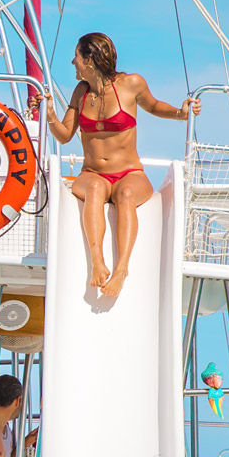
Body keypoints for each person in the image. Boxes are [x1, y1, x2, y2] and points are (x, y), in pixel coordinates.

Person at [43, 31, 200, 298]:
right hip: (93, 173)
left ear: (89, 59)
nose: (73, 62)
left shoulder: (131, 83)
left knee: (126, 194)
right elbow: (65, 134)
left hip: (129, 173)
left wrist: (180, 113)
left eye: (76, 56)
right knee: (95, 190)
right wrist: (49, 115)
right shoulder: (81, 92)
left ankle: (121, 270)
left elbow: (154, 106)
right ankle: (97, 262)